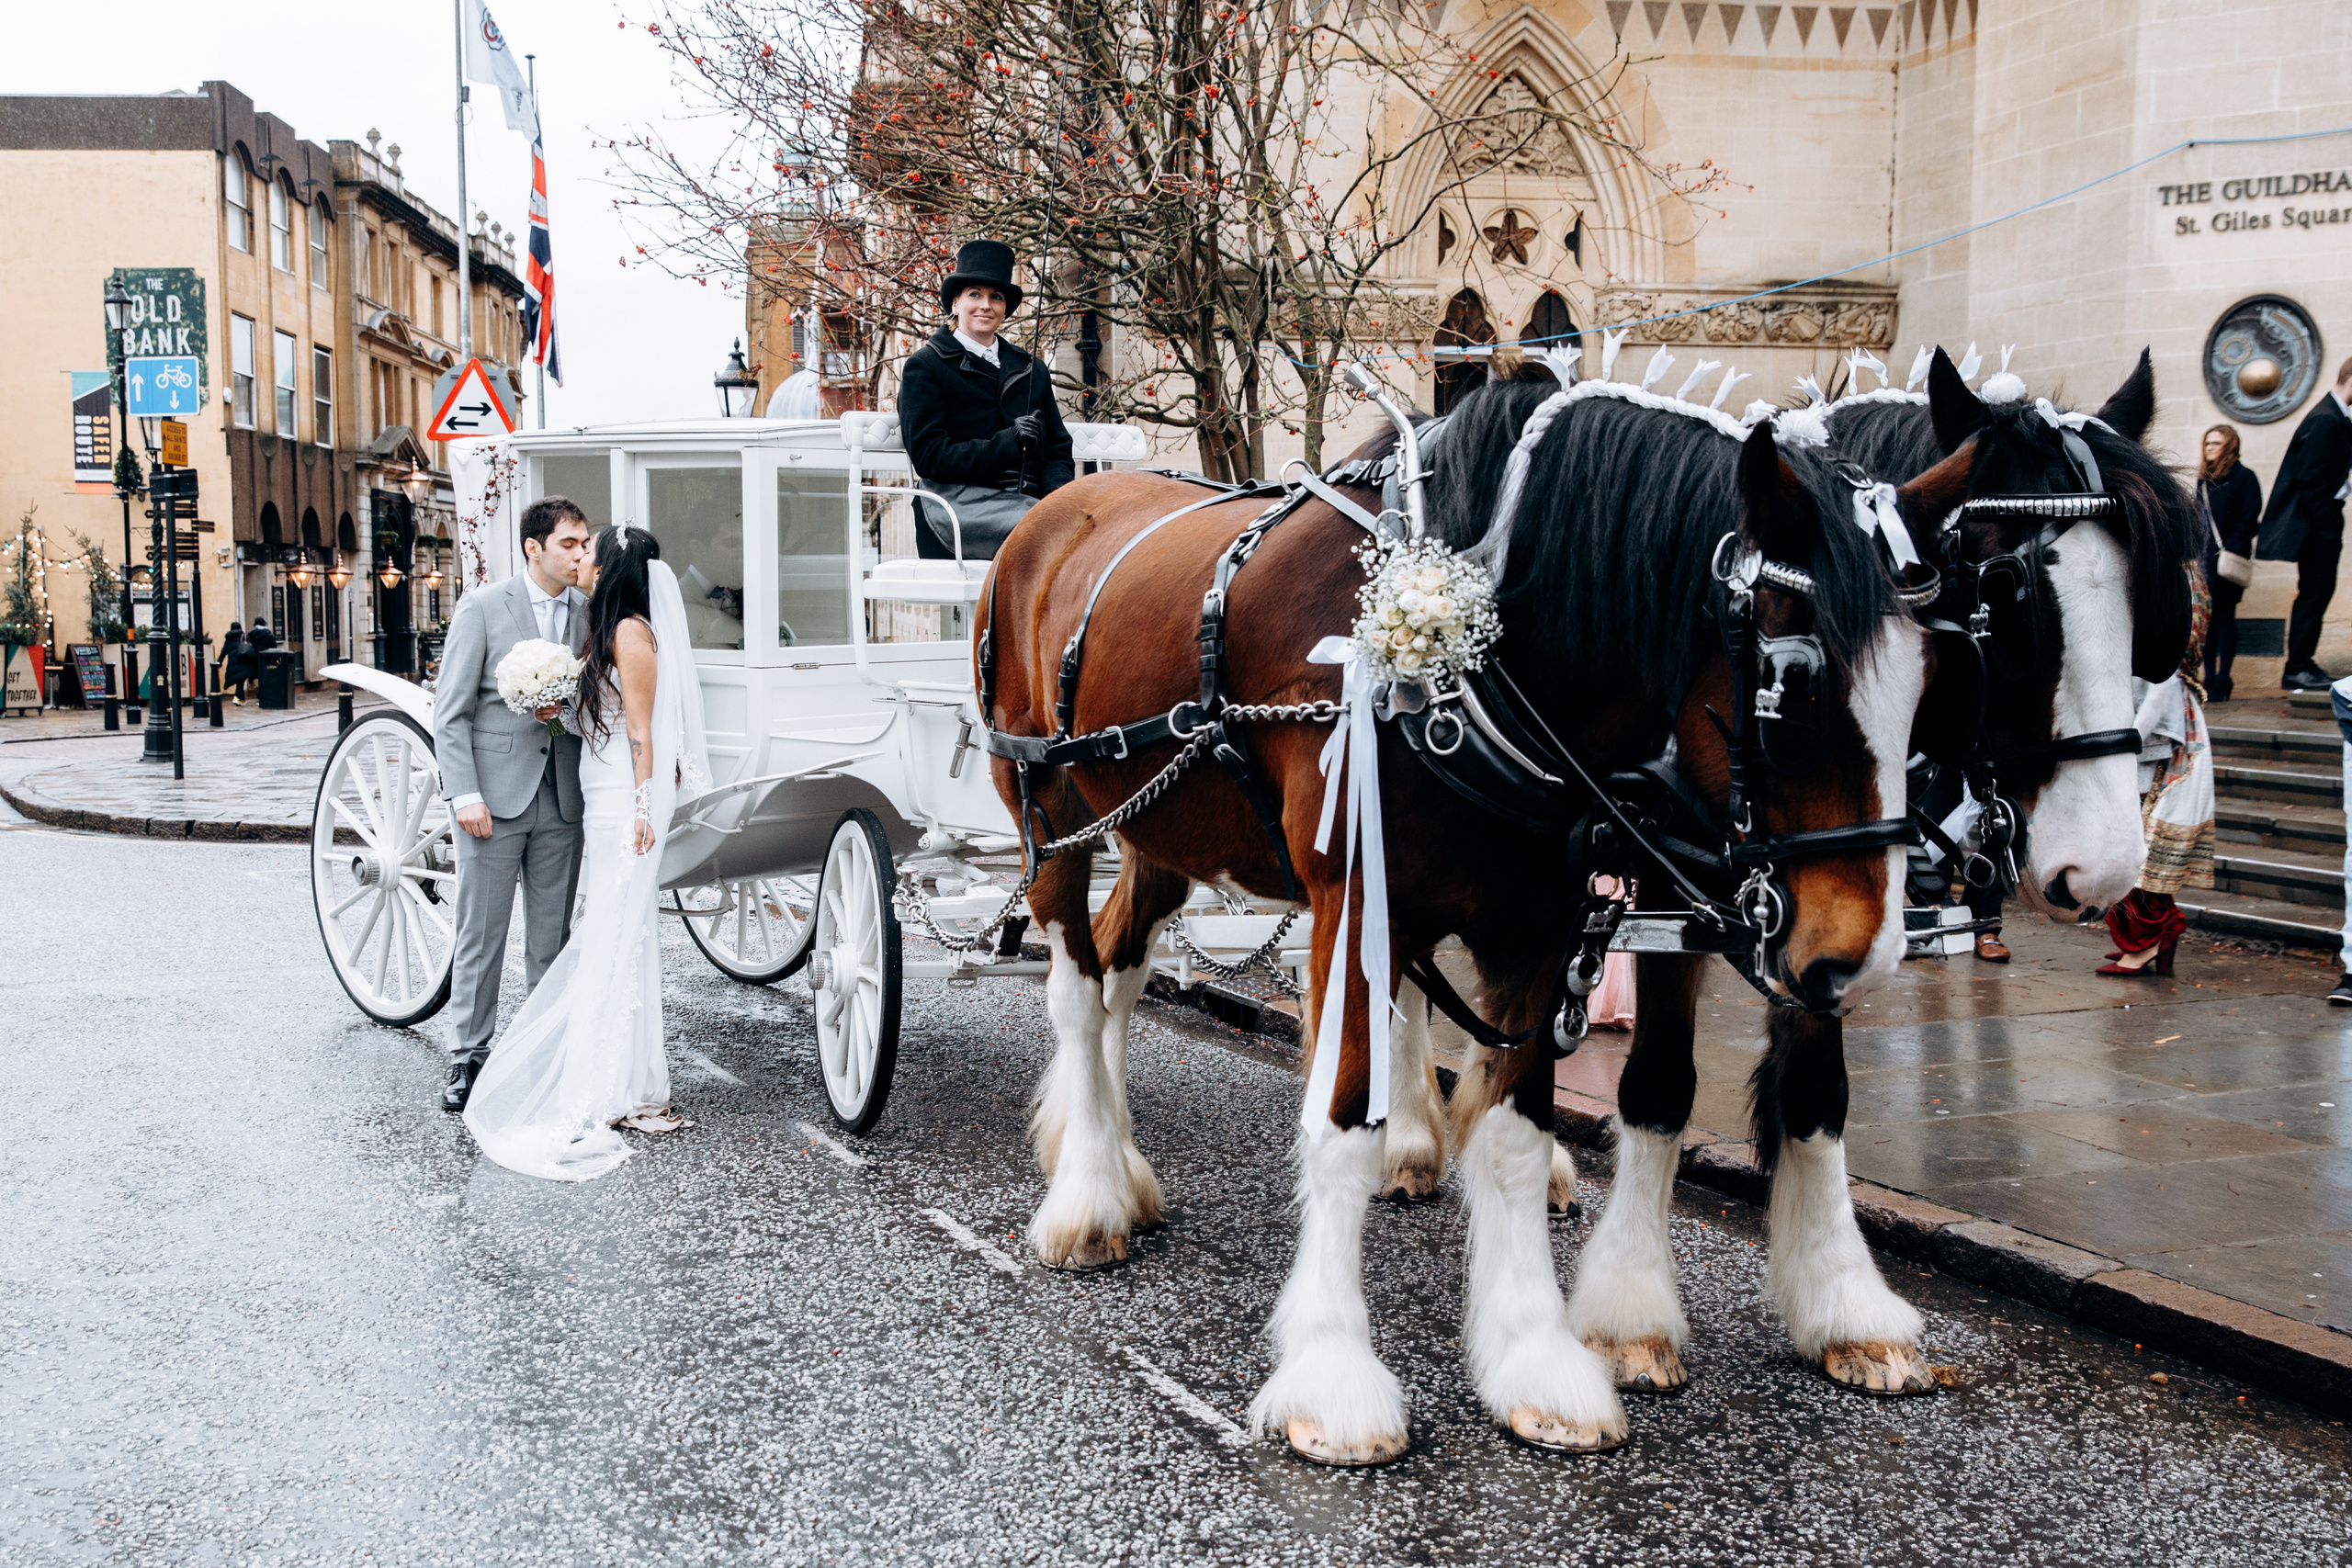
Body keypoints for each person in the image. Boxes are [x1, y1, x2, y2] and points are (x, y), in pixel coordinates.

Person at [464, 523, 710, 1180]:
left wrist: (640, 809)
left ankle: (616, 1087)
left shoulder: (632, 633)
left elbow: (640, 730)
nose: (584, 562)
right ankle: (624, 1083)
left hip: (625, 802)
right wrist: (549, 707)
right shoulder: (606, 629)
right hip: (601, 792)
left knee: (616, 934)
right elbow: (595, 719)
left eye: (592, 555)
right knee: (615, 933)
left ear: (613, 569)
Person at [432, 497, 592, 1114]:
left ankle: (543, 1053)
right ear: (535, 548)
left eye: (584, 544)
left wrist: (567, 712)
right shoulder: (482, 607)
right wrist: (465, 795)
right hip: (492, 801)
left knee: (551, 937)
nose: (580, 554)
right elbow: (450, 713)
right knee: (483, 933)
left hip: (562, 795)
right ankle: (467, 1055)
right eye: (570, 544)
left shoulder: (586, 612)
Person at [896, 239, 1075, 560]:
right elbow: (930, 457)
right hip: (956, 505)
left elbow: (1057, 450)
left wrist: (1057, 503)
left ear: (1005, 310)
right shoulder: (925, 367)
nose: (985, 305)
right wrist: (1007, 444)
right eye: (974, 294)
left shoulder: (1030, 369)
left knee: (1097, 529)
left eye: (996, 297)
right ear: (955, 303)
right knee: (1055, 536)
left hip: (1028, 505)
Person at [2101, 567, 2214, 976]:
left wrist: (2124, 742)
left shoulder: (2167, 587)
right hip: (2156, 730)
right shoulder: (2172, 575)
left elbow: (2162, 682)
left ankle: (2147, 940)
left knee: (2138, 844)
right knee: (2128, 841)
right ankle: (2145, 937)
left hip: (2160, 739)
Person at [2256, 357, 2352, 692]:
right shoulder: (2326, 418)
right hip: (2317, 525)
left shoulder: (2334, 417)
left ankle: (2302, 663)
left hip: (2320, 521)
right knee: (2314, 594)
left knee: (2318, 593)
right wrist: (2328, 518)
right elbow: (2310, 475)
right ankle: (2297, 668)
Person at [2198, 423, 2261, 701]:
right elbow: (2197, 519)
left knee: (2225, 618)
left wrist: (2230, 550)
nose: (2209, 447)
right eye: (2207, 443)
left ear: (2229, 446)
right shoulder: (2204, 479)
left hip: (2228, 560)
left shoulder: (2244, 477)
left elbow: (2250, 519)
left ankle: (2224, 679)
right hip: (2204, 561)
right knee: (2208, 622)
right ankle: (2208, 677)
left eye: (2216, 443)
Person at [219, 621, 254, 705]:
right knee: (240, 681)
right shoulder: (245, 636)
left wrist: (219, 662)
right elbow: (250, 648)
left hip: (232, 663)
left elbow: (224, 652)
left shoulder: (229, 639)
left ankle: (241, 699)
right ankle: (237, 698)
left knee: (240, 681)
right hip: (243, 662)